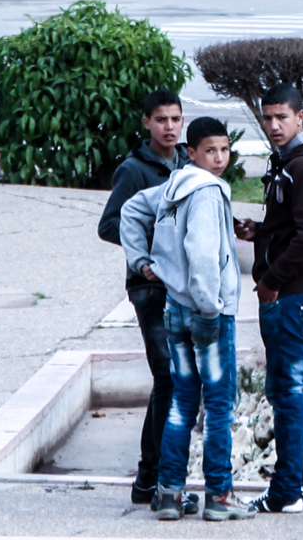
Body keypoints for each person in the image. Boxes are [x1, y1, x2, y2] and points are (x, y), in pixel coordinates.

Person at [122, 116, 251, 523]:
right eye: (210, 150)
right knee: (217, 406)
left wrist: (141, 260)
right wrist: (210, 309)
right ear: (191, 152)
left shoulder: (174, 184)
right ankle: (220, 495)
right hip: (207, 312)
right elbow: (202, 257)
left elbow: (130, 210)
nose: (219, 158)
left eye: (225, 149)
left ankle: (169, 492)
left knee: (180, 400)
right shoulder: (208, 193)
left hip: (174, 308)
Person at [236, 84, 303, 514]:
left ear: (301, 118)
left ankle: (285, 492)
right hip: (292, 293)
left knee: (286, 390)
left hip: (294, 295)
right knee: (290, 390)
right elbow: (292, 226)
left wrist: (273, 281)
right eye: (267, 118)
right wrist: (260, 231)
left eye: (282, 117)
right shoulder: (289, 164)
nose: (274, 125)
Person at [98, 90, 186, 508]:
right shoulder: (134, 171)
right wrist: (150, 242)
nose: (169, 127)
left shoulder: (189, 162)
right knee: (166, 376)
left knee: (177, 381)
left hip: (184, 286)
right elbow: (109, 225)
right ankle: (149, 476)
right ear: (147, 123)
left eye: (175, 119)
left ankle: (158, 474)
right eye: (161, 120)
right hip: (149, 288)